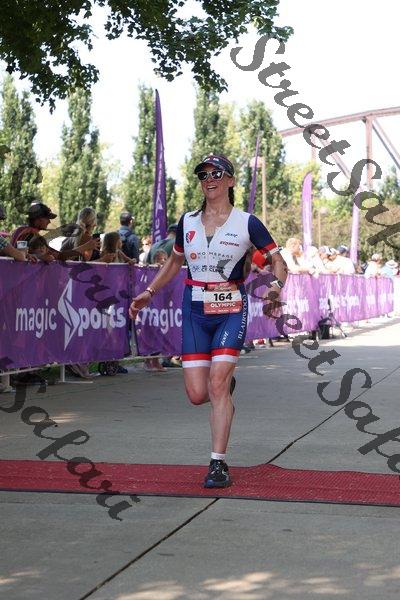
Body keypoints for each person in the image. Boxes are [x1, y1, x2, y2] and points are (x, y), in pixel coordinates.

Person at [129, 153, 287, 488]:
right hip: (195, 310)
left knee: (216, 383)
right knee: (197, 394)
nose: (209, 179)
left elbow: (278, 261)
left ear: (230, 180)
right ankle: (225, 389)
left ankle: (218, 464)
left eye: (216, 173)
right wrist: (149, 292)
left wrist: (275, 288)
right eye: (203, 175)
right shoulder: (187, 222)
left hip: (231, 308)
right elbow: (174, 262)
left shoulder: (247, 222)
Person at [12, 202, 100, 261]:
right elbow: (61, 256)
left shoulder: (19, 231)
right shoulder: (31, 234)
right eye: (47, 218)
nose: (49, 221)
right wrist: (86, 247)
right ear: (38, 219)